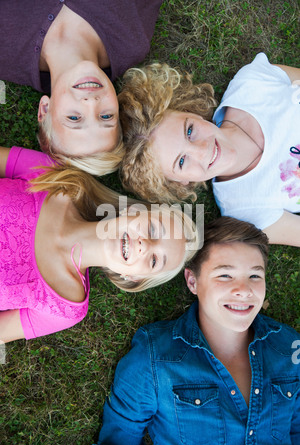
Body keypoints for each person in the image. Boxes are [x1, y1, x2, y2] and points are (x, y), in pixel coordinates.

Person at [91, 217, 300, 445]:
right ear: (192, 281)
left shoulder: (290, 346)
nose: (244, 290)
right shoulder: (154, 357)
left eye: (255, 276)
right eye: (225, 275)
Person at [0, 146, 199, 343]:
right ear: (132, 212)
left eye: (154, 261)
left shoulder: (65, 307)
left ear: (133, 277)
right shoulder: (59, 179)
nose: (145, 245)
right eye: (153, 230)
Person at [118, 53, 300, 247]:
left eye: (189, 131)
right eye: (181, 161)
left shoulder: (253, 84)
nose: (203, 150)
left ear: (191, 112)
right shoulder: (247, 211)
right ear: (180, 182)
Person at [0, 1, 163, 175]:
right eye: (106, 116)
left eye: (74, 118)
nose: (91, 102)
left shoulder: (5, 57)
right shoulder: (132, 41)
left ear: (45, 109)